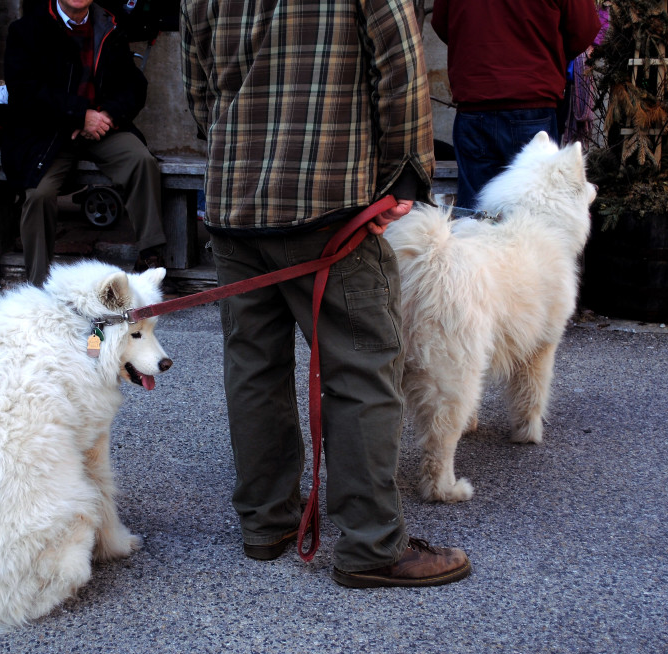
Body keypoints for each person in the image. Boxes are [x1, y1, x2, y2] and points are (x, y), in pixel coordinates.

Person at [180, 0, 471, 588]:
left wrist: (237, 153)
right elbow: (402, 63)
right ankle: (372, 545)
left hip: (236, 202)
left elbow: (198, 87)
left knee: (253, 368)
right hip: (329, 201)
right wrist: (404, 175)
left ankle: (266, 524)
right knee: (361, 367)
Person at [1, 0, 167, 286]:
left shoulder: (109, 26)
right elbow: (24, 91)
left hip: (102, 126)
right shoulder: (27, 29)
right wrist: (78, 116)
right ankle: (39, 284)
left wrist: (108, 115)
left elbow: (134, 85)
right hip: (48, 132)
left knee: (141, 161)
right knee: (39, 195)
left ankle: (150, 257)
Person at [432, 0, 602, 208]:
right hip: (532, 99)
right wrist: (546, 50)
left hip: (477, 100)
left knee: (476, 215)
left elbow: (441, 23)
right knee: (534, 211)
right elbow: (584, 29)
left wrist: (477, 47)